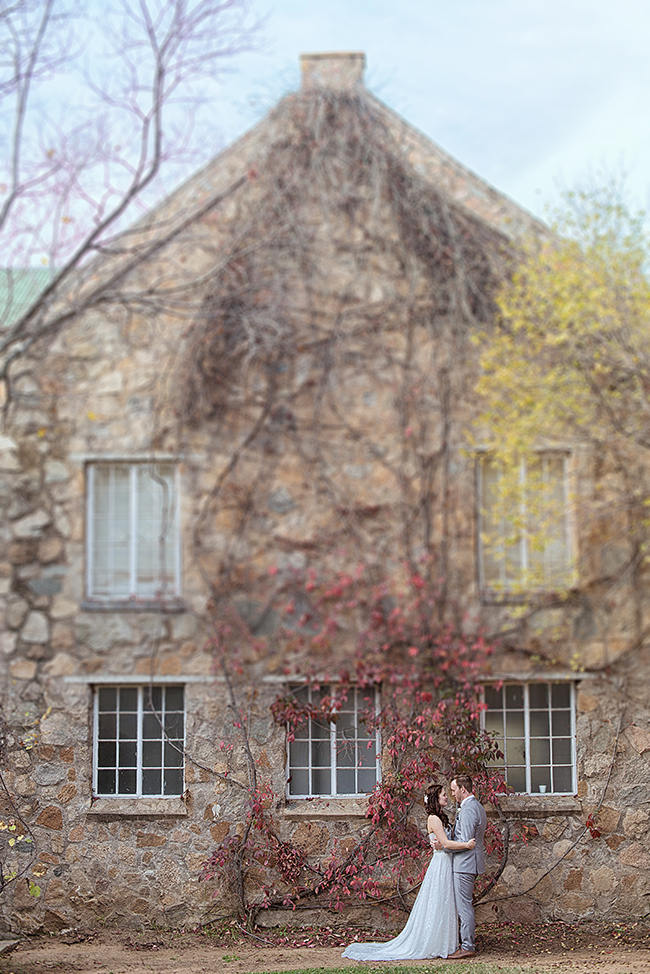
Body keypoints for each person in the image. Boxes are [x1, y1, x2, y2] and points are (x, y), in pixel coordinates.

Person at [342, 783, 476, 962]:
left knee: (445, 903)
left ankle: (444, 942)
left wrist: (444, 843)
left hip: (447, 862)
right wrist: (466, 845)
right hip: (441, 864)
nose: (447, 797)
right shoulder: (433, 819)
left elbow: (445, 841)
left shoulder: (442, 817)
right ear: (436, 798)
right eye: (444, 794)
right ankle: (434, 943)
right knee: (439, 902)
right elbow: (445, 843)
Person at [444, 774, 488, 961]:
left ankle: (468, 946)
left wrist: (445, 845)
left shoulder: (469, 809)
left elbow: (466, 841)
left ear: (463, 789)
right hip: (469, 863)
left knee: (464, 906)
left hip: (465, 864)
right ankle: (465, 942)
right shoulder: (474, 806)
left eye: (454, 790)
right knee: (464, 904)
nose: (452, 794)